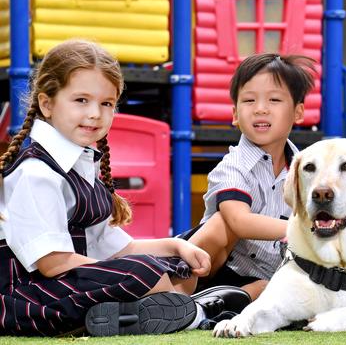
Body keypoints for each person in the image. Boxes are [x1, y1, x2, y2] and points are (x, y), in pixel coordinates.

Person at [0, 40, 249, 337]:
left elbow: (121, 248)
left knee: (175, 268)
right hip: (28, 298)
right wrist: (126, 272)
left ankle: (131, 315)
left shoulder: (81, 166)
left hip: (68, 283)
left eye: (106, 103)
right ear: (47, 104)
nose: (95, 113)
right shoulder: (37, 172)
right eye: (81, 100)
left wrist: (176, 247)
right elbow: (53, 263)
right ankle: (198, 312)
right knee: (143, 272)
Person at [180, 53, 315, 301]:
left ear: (298, 112)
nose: (260, 109)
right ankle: (174, 294)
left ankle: (208, 307)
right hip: (207, 267)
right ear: (234, 114)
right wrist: (306, 229)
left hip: (260, 277)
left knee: (268, 288)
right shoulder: (232, 166)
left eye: (274, 100)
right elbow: (239, 221)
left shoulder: (306, 169)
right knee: (221, 224)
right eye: (249, 100)